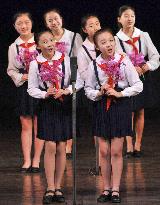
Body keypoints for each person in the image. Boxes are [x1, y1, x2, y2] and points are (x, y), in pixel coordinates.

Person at [85, 28, 143, 203]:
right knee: (104, 151)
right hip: (101, 106)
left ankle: (116, 189)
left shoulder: (124, 60)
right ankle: (106, 188)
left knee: (116, 151)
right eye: (103, 42)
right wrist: (98, 92)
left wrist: (121, 93)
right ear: (97, 46)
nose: (108, 44)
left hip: (119, 105)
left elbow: (138, 85)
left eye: (110, 40)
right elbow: (88, 89)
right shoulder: (94, 64)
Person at [28, 30, 72, 204]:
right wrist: (45, 93)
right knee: (50, 146)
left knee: (61, 146)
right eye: (45, 41)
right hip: (47, 105)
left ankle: (58, 187)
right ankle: (50, 187)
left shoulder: (65, 59)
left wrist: (65, 90)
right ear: (38, 45)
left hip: (63, 104)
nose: (49, 44)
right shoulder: (35, 63)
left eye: (52, 40)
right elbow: (31, 89)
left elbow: (76, 83)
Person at [115, 5, 160, 158]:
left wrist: (145, 66)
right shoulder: (116, 39)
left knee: (140, 110)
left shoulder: (143, 35)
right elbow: (115, 61)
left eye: (132, 16)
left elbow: (155, 56)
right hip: (125, 80)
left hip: (141, 78)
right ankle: (128, 146)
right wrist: (128, 69)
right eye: (126, 16)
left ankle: (137, 145)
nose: (129, 19)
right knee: (128, 112)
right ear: (119, 19)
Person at [7, 11, 44, 173]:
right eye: (19, 23)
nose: (23, 26)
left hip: (41, 86)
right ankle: (27, 160)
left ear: (31, 23)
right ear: (14, 27)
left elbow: (52, 59)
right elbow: (11, 70)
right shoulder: (13, 47)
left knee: (39, 123)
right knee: (25, 124)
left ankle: (36, 161)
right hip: (24, 87)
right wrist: (23, 76)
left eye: (26, 22)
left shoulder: (41, 40)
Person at [43, 8, 83, 159]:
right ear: (46, 24)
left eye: (56, 19)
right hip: (52, 78)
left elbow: (80, 58)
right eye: (50, 20)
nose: (54, 22)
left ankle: (68, 147)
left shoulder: (73, 36)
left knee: (70, 111)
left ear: (61, 19)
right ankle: (57, 141)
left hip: (70, 76)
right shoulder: (46, 37)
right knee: (56, 111)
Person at [76, 14, 101, 174]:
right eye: (91, 25)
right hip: (94, 93)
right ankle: (100, 163)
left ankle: (112, 161)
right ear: (85, 30)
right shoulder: (83, 49)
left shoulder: (109, 41)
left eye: (97, 24)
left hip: (113, 90)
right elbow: (83, 73)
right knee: (99, 128)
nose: (96, 27)